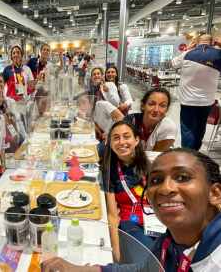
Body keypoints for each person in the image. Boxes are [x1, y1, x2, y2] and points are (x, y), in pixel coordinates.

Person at [42, 148, 221, 272]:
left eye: (182, 177)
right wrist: (81, 269)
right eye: (157, 180)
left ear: (215, 193)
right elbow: (143, 269)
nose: (166, 188)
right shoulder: (167, 243)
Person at [103, 121, 154, 263]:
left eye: (126, 137)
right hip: (132, 222)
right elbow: (112, 214)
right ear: (111, 143)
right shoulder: (110, 171)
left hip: (157, 219)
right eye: (116, 138)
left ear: (136, 140)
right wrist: (116, 251)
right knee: (149, 263)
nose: (122, 142)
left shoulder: (149, 165)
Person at [170, 34, 221, 150]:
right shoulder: (218, 54)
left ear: (197, 43)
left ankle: (188, 153)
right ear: (213, 42)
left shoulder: (187, 53)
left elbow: (172, 63)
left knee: (188, 128)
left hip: (188, 100)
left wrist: (187, 49)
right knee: (201, 127)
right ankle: (196, 152)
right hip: (207, 101)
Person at [124, 88, 177, 152]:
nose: (156, 110)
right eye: (151, 104)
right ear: (142, 105)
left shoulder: (168, 127)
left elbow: (155, 158)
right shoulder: (130, 120)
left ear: (167, 109)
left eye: (162, 105)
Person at [0, 73, 26, 150]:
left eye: (1, 82)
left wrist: (25, 138)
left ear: (4, 85)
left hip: (14, 140)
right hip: (0, 143)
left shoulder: (11, 102)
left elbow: (18, 120)